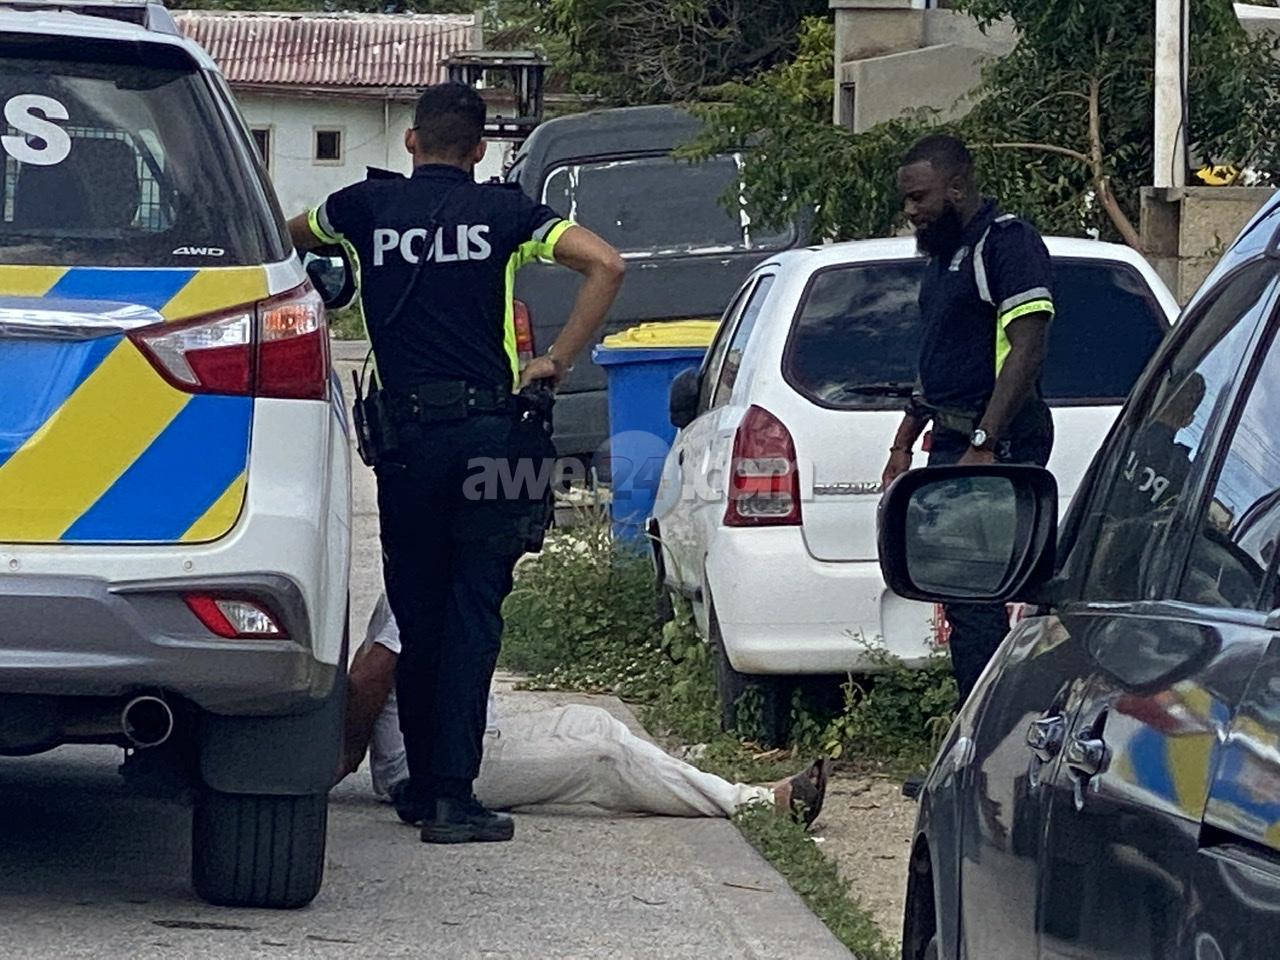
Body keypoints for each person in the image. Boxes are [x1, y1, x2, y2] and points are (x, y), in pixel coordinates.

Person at [290, 83, 625, 844]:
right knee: (474, 613)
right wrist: (556, 359)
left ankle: (418, 788)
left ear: (411, 142)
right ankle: (452, 796)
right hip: (490, 440)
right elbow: (607, 265)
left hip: (405, 446)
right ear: (478, 151)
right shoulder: (505, 213)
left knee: (418, 612)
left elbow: (282, 237)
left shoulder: (361, 208)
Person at [338, 596, 829, 826]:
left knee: (593, 721)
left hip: (475, 739)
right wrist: (345, 756)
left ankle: (691, 782)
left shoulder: (426, 572)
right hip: (431, 766)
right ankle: (754, 804)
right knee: (601, 757)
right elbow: (369, 674)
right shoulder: (431, 581)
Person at [881, 134, 1055, 705]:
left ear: (956, 188)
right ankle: (977, 724)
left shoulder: (1006, 243)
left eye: (920, 197)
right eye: (906, 199)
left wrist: (985, 441)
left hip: (997, 443)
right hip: (953, 439)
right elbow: (940, 360)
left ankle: (985, 731)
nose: (910, 211)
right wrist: (903, 441)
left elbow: (1027, 347)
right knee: (961, 595)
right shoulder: (945, 255)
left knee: (976, 593)